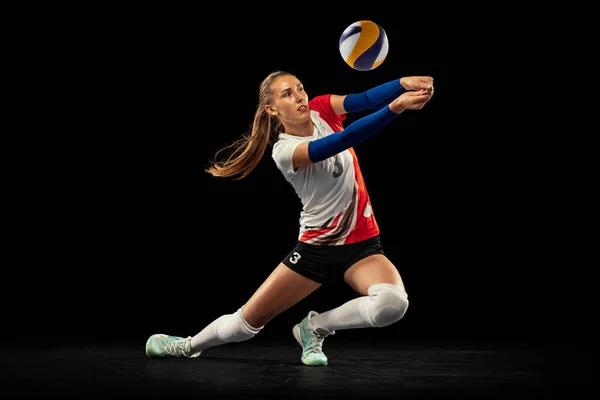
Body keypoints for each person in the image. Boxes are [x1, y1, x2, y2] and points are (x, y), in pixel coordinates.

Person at [145, 71, 434, 366]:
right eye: (287, 94)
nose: (299, 97)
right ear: (272, 109)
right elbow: (343, 139)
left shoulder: (322, 108)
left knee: (392, 305)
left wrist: (401, 84)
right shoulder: (284, 151)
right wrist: (395, 107)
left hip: (362, 245)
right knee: (243, 326)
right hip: (315, 250)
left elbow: (364, 100)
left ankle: (314, 327)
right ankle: (186, 345)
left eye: (300, 88)